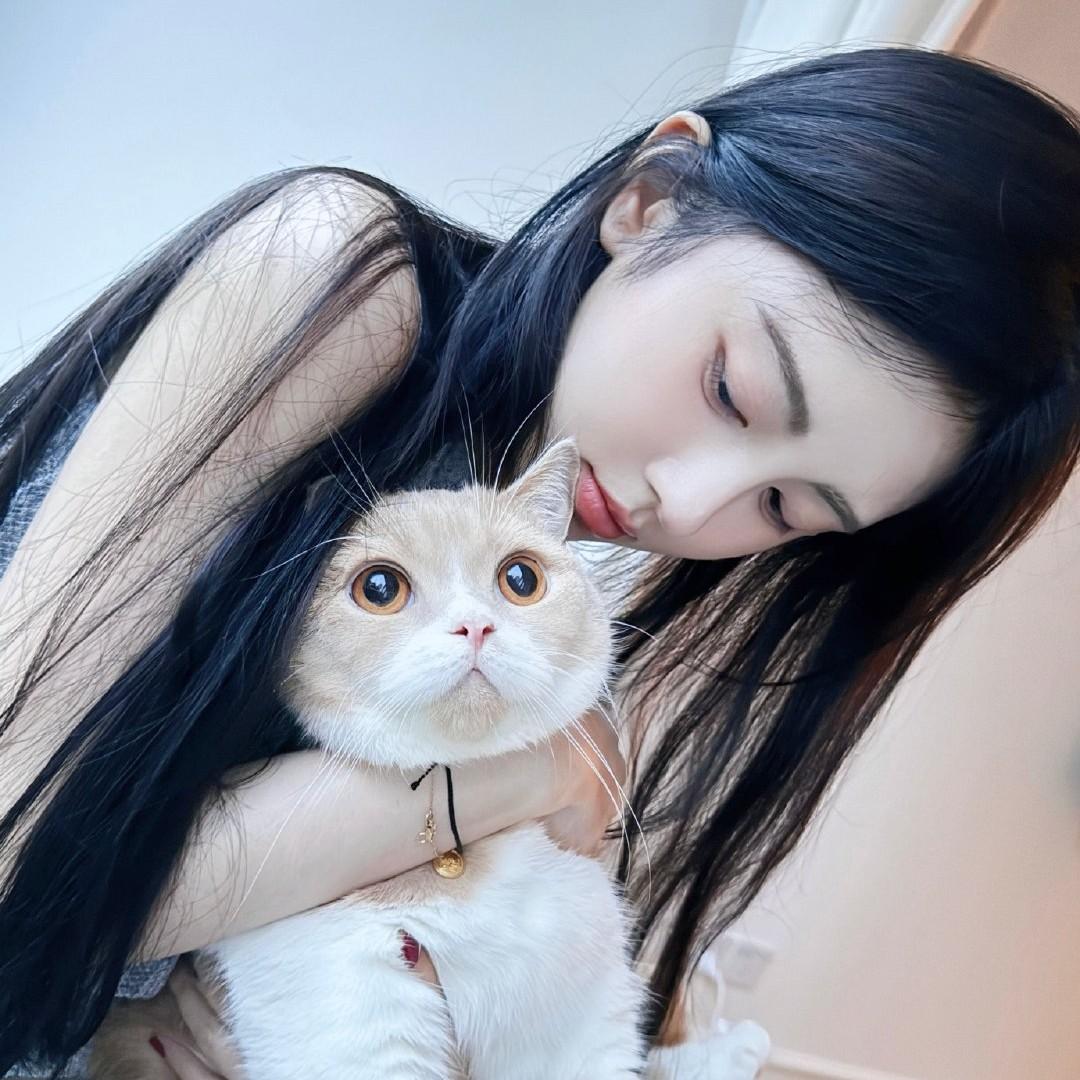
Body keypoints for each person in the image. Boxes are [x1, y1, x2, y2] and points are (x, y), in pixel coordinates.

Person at [1, 43, 1078, 1079]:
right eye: (729, 392)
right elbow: (18, 859)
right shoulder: (342, 278)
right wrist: (517, 774)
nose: (685, 504)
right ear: (651, 200)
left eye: (784, 506)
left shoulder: (542, 580)